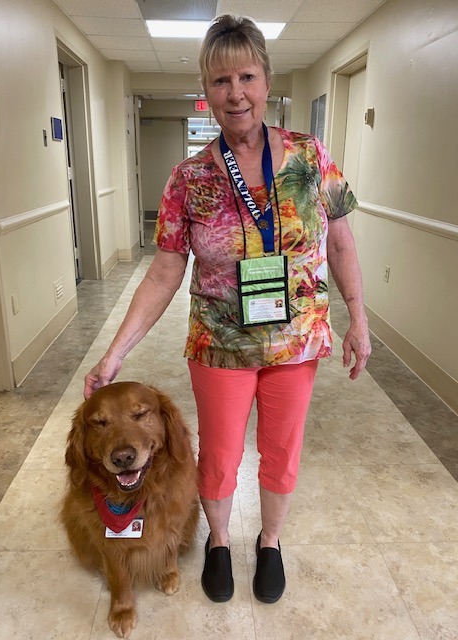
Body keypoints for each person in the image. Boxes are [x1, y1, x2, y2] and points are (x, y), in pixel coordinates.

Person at [84, 14, 371, 605]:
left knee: (282, 448)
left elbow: (340, 243)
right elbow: (166, 270)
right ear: (206, 90)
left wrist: (358, 318)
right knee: (217, 453)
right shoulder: (188, 178)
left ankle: (269, 542)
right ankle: (219, 541)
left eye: (246, 76)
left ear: (266, 81)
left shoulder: (311, 158)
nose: (235, 92)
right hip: (219, 344)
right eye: (220, 80)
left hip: (297, 339)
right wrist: (114, 354)